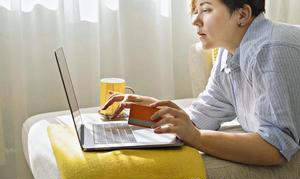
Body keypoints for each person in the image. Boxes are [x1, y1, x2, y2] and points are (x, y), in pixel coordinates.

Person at [101, 0, 300, 166]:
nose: (195, 20)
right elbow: (204, 113)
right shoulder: (228, 53)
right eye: (195, 11)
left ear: (242, 15)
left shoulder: (271, 49)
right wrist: (156, 111)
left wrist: (197, 137)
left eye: (206, 9)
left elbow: (276, 148)